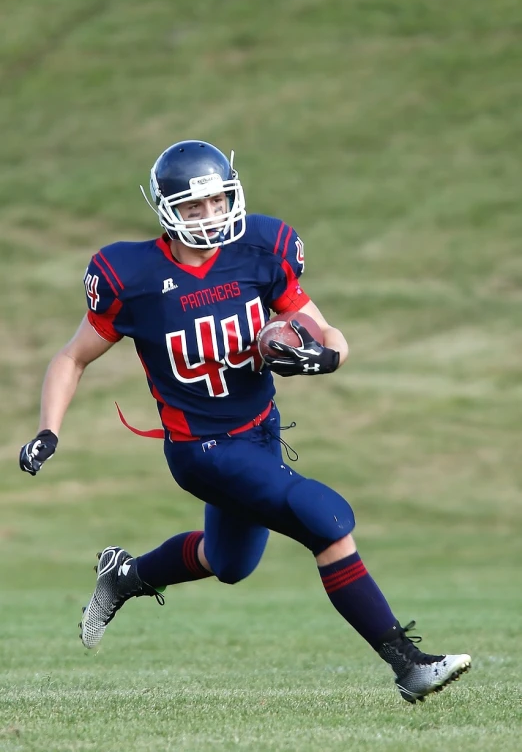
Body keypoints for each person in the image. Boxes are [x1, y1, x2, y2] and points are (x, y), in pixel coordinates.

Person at [19, 140, 471, 703]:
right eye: (192, 207)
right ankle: (408, 665)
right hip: (201, 450)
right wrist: (48, 429)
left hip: (260, 432)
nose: (209, 216)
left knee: (229, 561)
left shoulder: (260, 248)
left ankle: (125, 577)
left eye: (217, 201)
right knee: (326, 517)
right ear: (165, 210)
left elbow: (327, 333)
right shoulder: (131, 276)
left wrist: (323, 356)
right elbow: (72, 357)